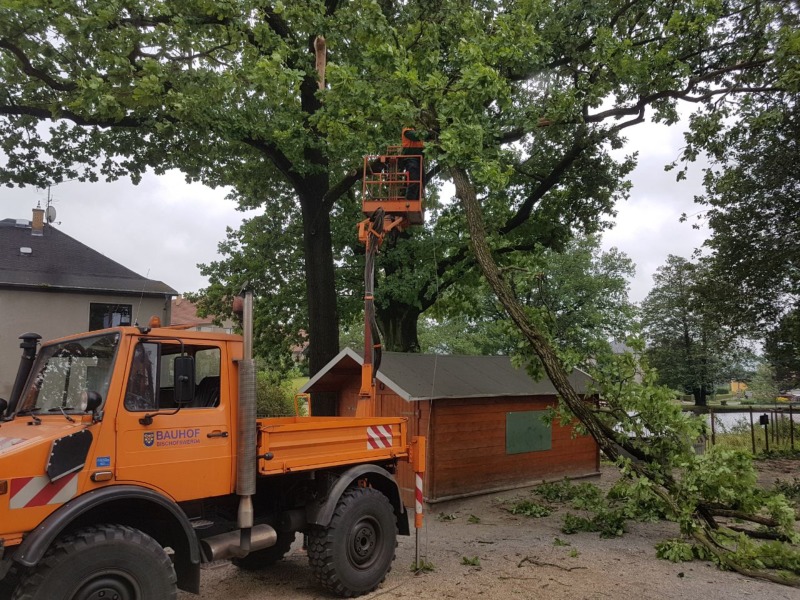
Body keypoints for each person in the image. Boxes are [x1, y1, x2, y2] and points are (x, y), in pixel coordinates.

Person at [400, 127, 429, 200]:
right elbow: (416, 136)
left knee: (422, 180)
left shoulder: (418, 133)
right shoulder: (407, 130)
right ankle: (410, 200)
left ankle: (416, 199)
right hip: (411, 157)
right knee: (414, 179)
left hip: (418, 159)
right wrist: (429, 133)